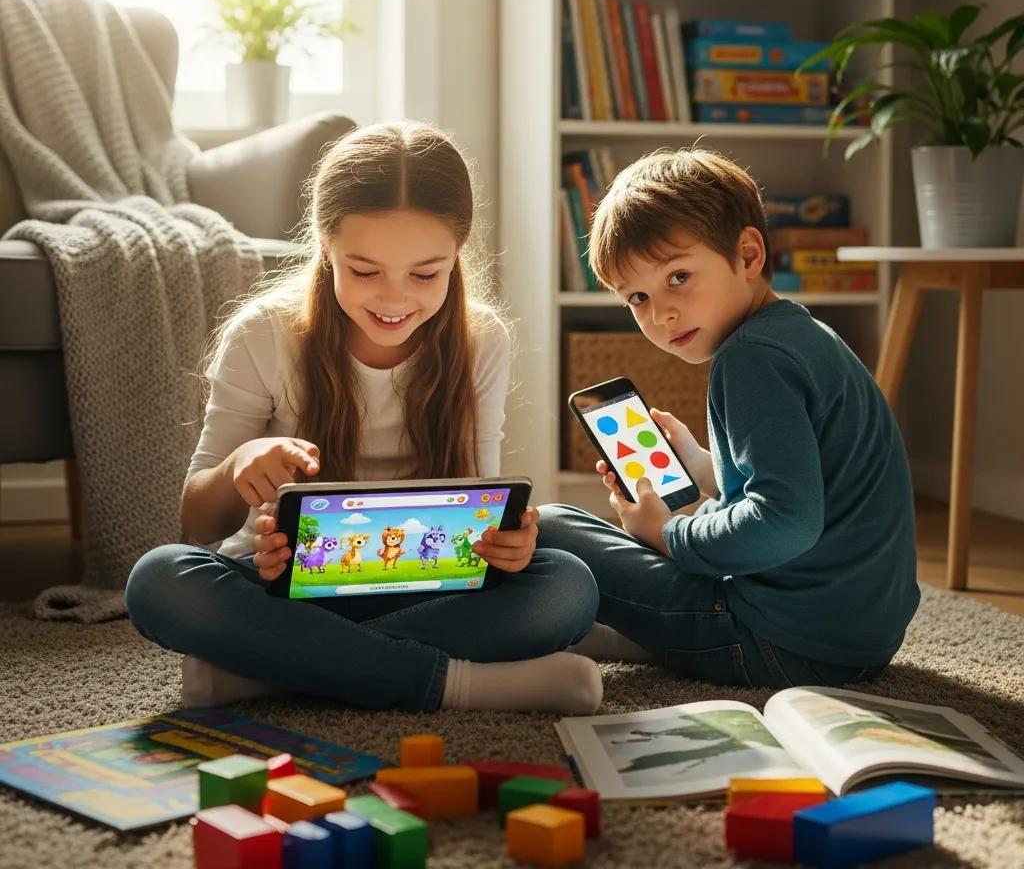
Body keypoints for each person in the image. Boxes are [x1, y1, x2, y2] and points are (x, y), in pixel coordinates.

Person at [126, 122, 601, 714]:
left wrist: (507, 544)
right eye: (365, 270)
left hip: (424, 584)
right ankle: (462, 684)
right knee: (159, 579)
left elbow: (476, 498)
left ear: (459, 250)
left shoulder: (481, 340)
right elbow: (198, 523)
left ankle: (276, 668)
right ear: (325, 247)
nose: (394, 299)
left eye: (425, 274)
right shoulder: (264, 333)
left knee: (568, 587)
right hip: (281, 586)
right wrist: (238, 468)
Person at [540, 148, 920, 688]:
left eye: (678, 277)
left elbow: (785, 521)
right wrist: (702, 465)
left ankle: (650, 631)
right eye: (638, 297)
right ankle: (651, 628)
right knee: (602, 532)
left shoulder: (750, 359)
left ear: (747, 254)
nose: (660, 313)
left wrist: (670, 533)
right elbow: (802, 481)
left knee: (554, 526)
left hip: (784, 643)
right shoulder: (801, 335)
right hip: (859, 638)